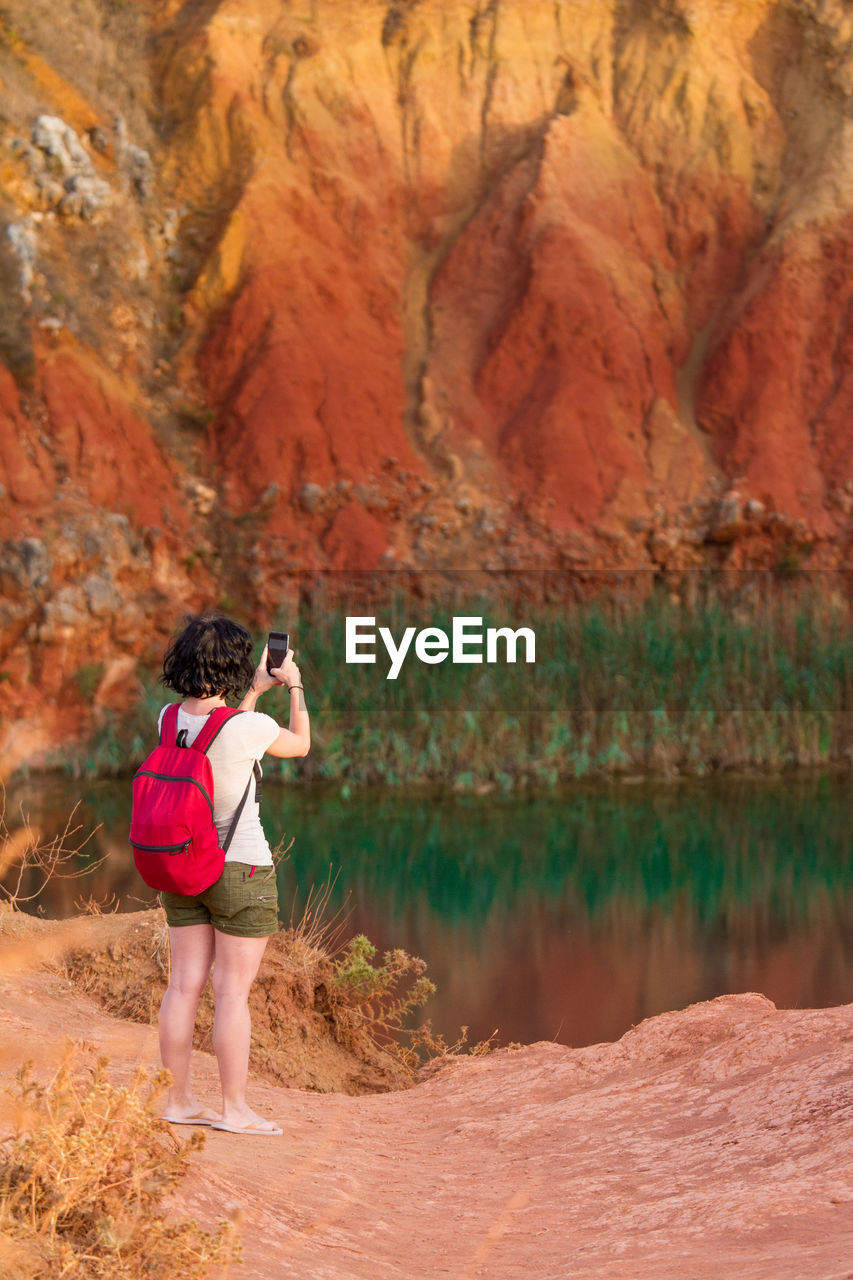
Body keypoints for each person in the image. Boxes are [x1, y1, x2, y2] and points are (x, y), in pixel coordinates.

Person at [155, 612, 310, 1135]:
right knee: (231, 994)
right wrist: (294, 687)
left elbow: (220, 736)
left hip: (181, 865)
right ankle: (234, 1110)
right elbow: (300, 745)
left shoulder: (168, 719)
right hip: (239, 868)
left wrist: (253, 693)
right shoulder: (251, 728)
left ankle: (176, 1101)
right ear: (234, 665)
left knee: (183, 986)